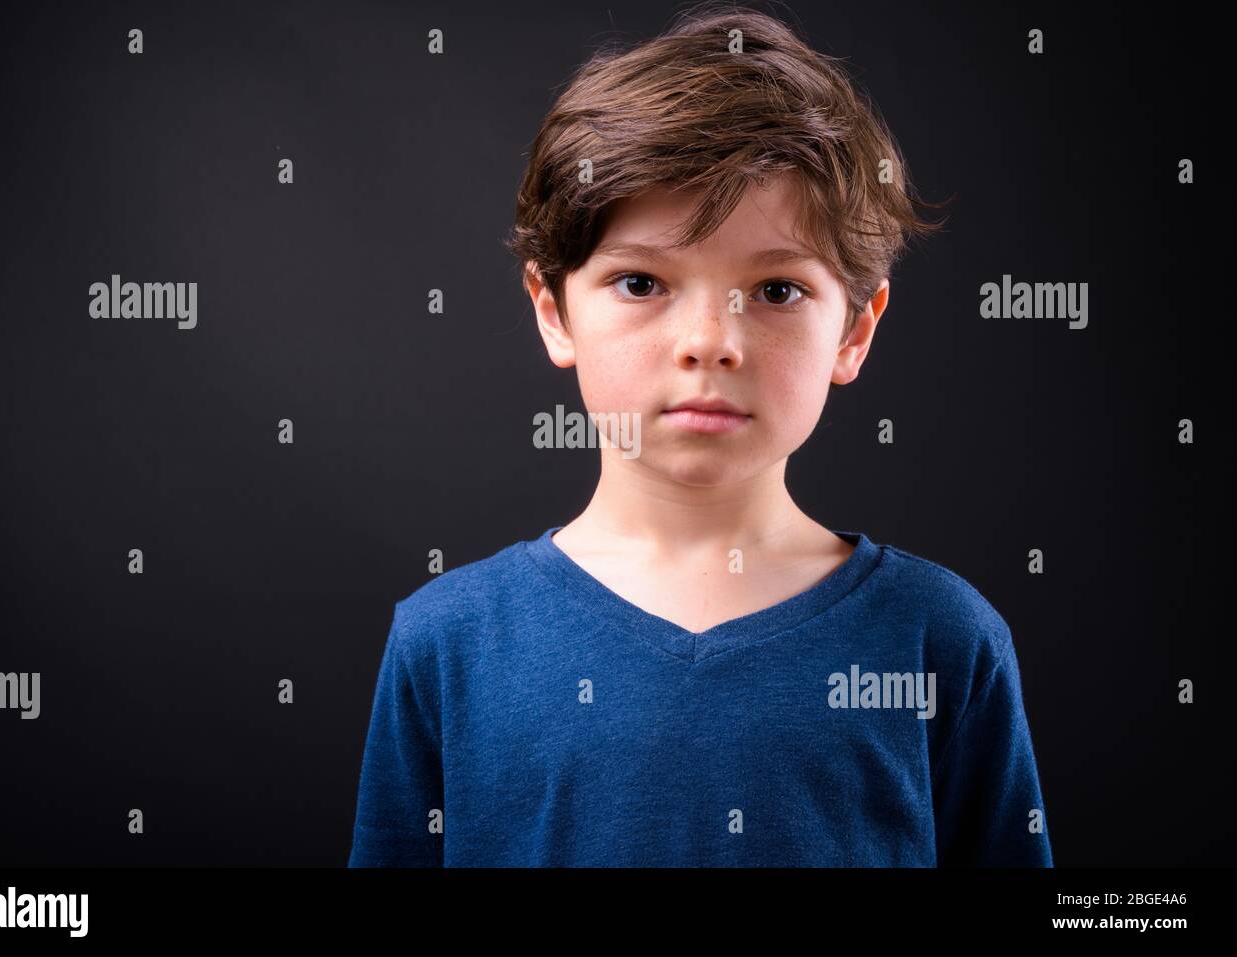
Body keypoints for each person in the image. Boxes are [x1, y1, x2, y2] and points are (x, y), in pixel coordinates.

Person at [348, 2, 1052, 867]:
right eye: (642, 281)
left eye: (777, 290)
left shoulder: (940, 638)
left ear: (856, 330)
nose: (709, 341)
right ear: (554, 311)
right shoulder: (447, 643)